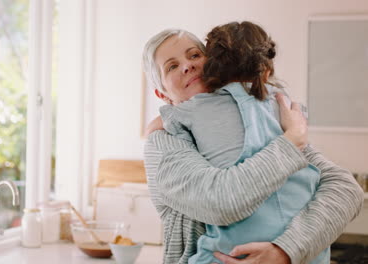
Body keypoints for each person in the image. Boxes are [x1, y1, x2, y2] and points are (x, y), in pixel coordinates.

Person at [142, 27, 364, 264]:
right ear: (163, 94)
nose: (188, 65)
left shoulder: (263, 114)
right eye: (172, 66)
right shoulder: (164, 142)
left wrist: (284, 251)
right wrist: (292, 141)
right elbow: (221, 202)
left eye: (195, 55)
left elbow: (346, 190)